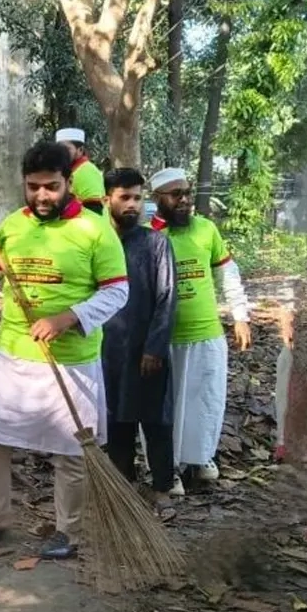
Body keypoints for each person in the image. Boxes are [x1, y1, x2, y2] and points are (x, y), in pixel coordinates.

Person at [0, 141, 129, 560]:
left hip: (71, 361)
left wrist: (66, 318)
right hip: (12, 351)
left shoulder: (95, 229)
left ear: (69, 182)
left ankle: (69, 532)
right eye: (33, 187)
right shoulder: (13, 225)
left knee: (71, 451)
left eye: (51, 186)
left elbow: (117, 291)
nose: (42, 196)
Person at [149, 168, 251, 496]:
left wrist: (240, 316)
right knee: (169, 405)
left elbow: (228, 273)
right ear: (157, 199)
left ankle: (201, 457)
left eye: (187, 193)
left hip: (207, 335)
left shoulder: (206, 230)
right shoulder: (149, 237)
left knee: (205, 399)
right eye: (175, 194)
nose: (184, 200)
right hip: (166, 340)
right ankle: (168, 467)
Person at [99, 168, 178, 519]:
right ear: (107, 199)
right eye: (124, 197)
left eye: (137, 197)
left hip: (147, 349)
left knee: (155, 418)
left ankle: (162, 488)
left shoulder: (156, 243)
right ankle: (123, 488)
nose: (132, 205)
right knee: (116, 420)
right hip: (109, 348)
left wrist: (155, 347)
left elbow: (167, 297)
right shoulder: (97, 242)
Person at [55, 127, 106, 214]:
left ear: (80, 150)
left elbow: (94, 209)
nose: (61, 152)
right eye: (59, 149)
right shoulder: (69, 170)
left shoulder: (87, 171)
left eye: (66, 149)